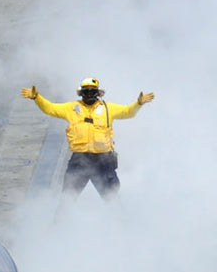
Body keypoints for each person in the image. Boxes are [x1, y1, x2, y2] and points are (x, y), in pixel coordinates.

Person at [20, 78, 153, 198]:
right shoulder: (71, 108)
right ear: (81, 93)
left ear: (98, 93)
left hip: (103, 161)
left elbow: (128, 112)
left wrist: (139, 103)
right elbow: (50, 108)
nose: (89, 95)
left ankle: (122, 224)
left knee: (112, 199)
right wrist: (36, 97)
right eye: (86, 92)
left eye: (92, 92)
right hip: (80, 160)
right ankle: (59, 224)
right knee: (68, 198)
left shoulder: (108, 108)